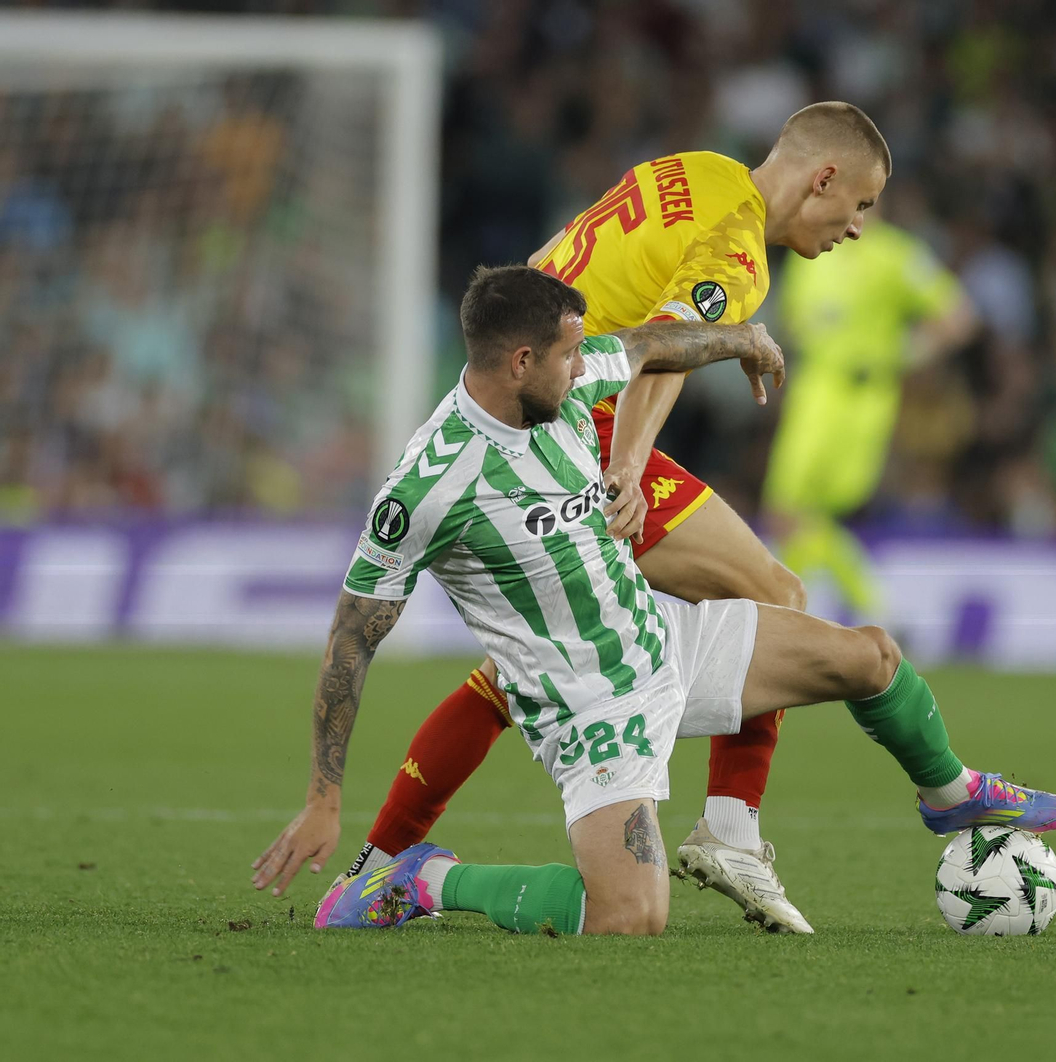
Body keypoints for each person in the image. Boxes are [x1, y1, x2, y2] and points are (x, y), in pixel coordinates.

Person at [250, 266, 1056, 937]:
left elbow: (648, 345)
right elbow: (352, 638)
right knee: (630, 916)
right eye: (572, 356)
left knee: (871, 656)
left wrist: (742, 338)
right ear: (520, 363)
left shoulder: (564, 383)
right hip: (588, 711)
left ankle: (952, 796)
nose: (588, 368)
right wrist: (326, 796)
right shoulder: (430, 485)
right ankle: (424, 879)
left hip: (668, 642)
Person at [342, 102, 894, 934]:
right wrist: (624, 464)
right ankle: (731, 831)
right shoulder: (739, 252)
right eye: (861, 204)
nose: (857, 226)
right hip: (583, 417)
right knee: (775, 590)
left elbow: (544, 268)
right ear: (823, 179)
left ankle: (381, 864)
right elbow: (664, 346)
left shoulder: (692, 169)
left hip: (523, 397)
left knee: (518, 670)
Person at [764, 220, 980, 619]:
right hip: (814, 388)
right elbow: (793, 321)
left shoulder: (896, 254)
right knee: (788, 512)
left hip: (866, 396)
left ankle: (804, 613)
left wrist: (902, 354)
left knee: (808, 513)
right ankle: (863, 609)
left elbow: (958, 316)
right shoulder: (810, 246)